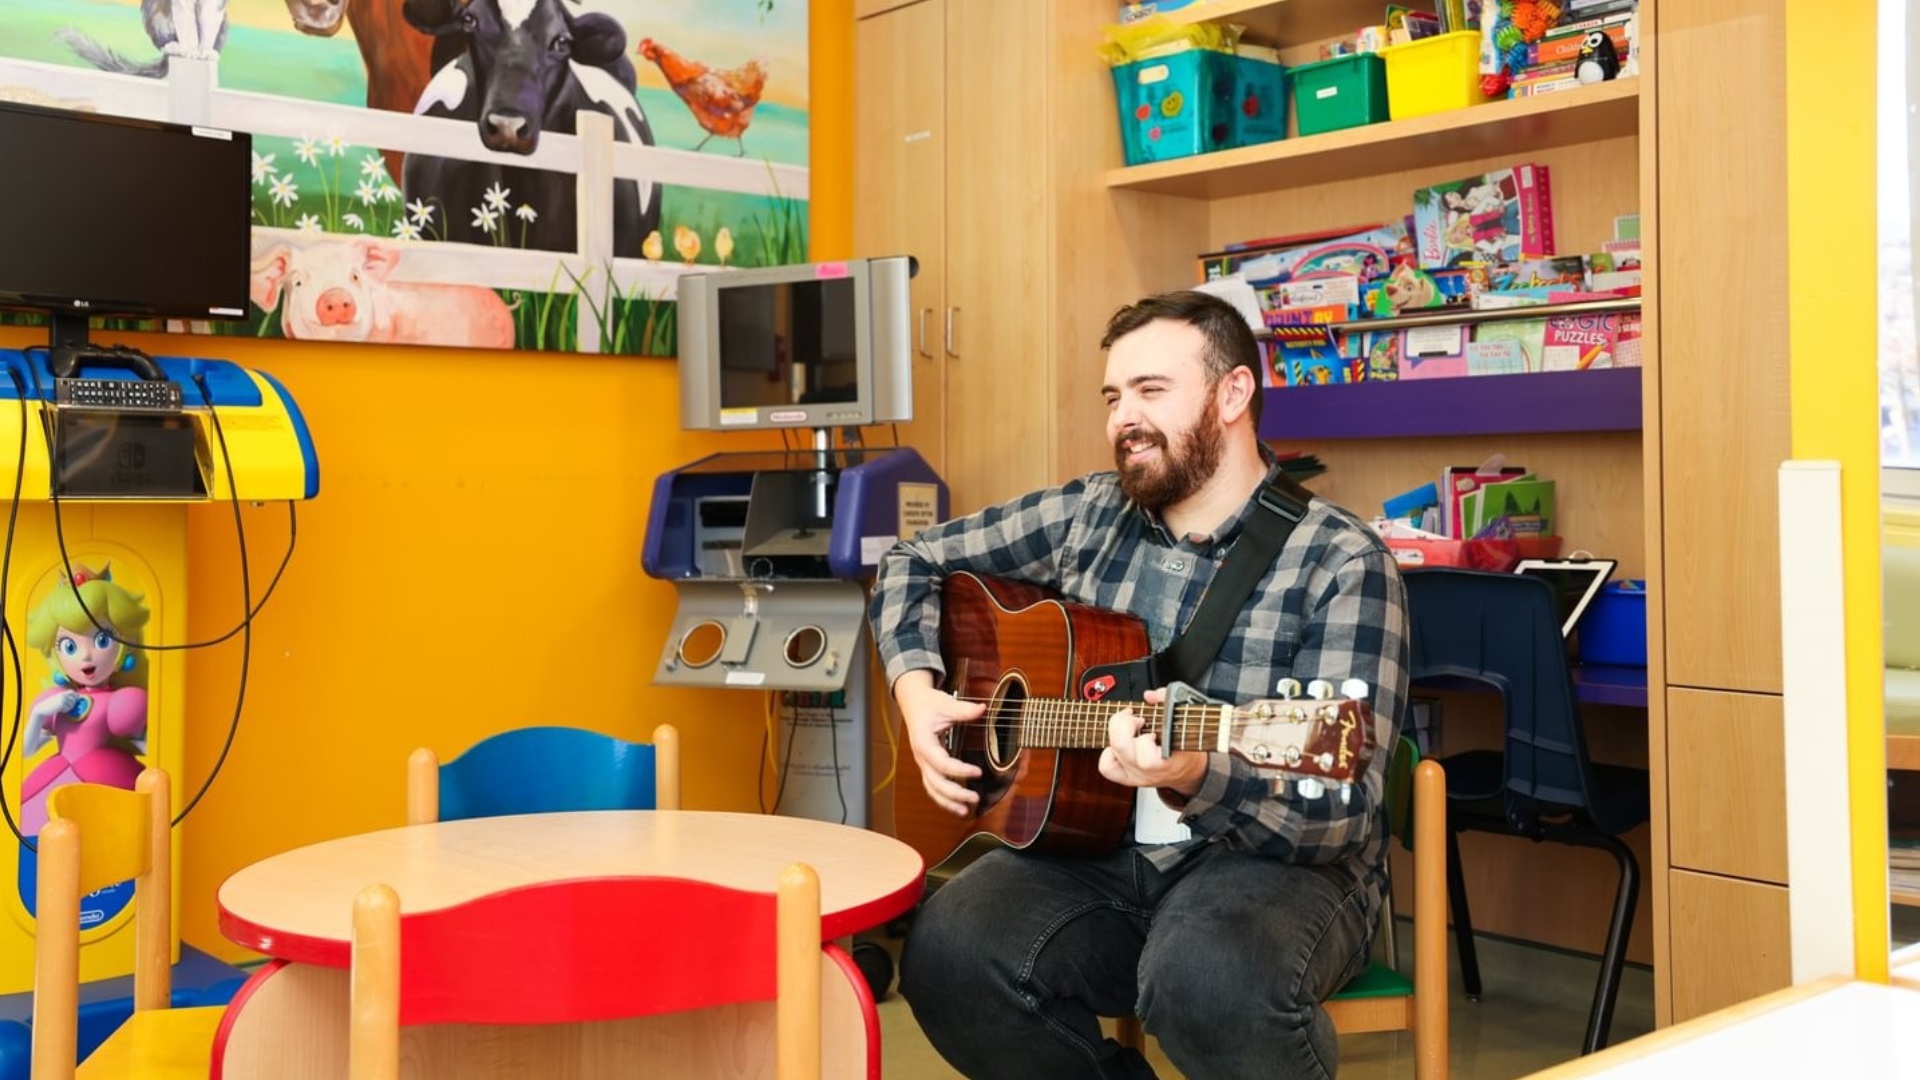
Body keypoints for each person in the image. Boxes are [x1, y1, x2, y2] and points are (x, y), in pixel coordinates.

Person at [866, 289, 1409, 1080]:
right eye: (1114, 396)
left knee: (1206, 977)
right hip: (1096, 847)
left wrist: (1197, 772)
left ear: (1232, 394)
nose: (1126, 417)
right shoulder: (1090, 512)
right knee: (949, 949)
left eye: (1153, 391)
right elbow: (909, 561)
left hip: (1271, 869)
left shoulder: (1341, 562)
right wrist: (916, 692)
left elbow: (1342, 812)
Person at [20, 564, 151, 835]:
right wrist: (39, 713)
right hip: (55, 780)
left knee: (107, 842)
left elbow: (148, 745)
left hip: (103, 778)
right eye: (69, 646)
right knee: (40, 836)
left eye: (102, 640)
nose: (86, 657)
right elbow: (27, 750)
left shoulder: (121, 702)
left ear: (122, 643)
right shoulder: (56, 701)